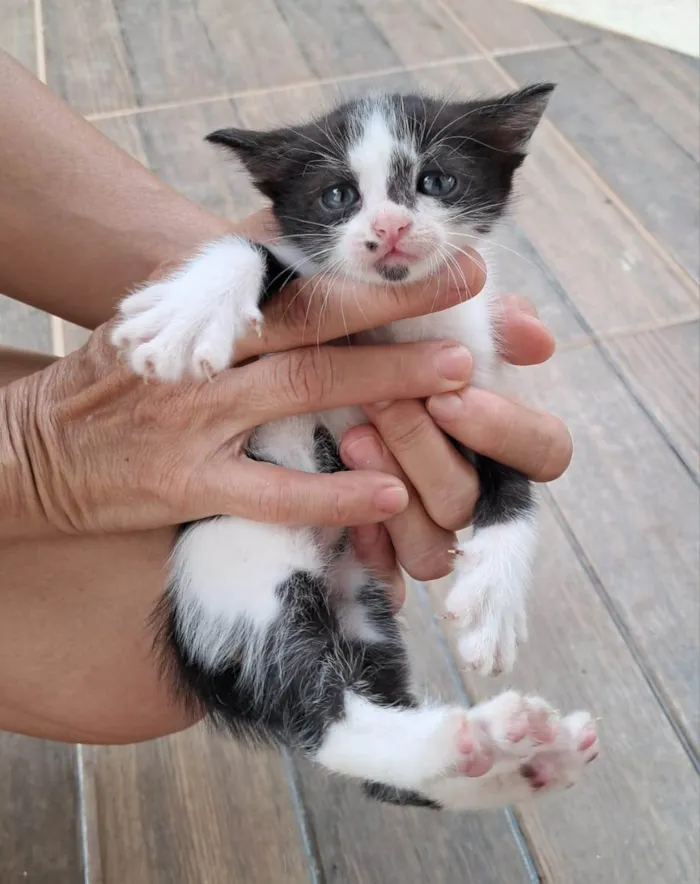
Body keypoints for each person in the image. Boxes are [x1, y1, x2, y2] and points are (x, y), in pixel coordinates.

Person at [0, 52, 572, 745]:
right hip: (285, 497)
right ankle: (382, 742)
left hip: (314, 495)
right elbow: (250, 257)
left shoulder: (452, 304)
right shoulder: (271, 261)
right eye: (340, 195)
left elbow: (485, 449)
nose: (390, 223)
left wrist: (505, 541)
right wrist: (35, 456)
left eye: (433, 182)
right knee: (142, 635)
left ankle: (388, 738)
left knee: (186, 607)